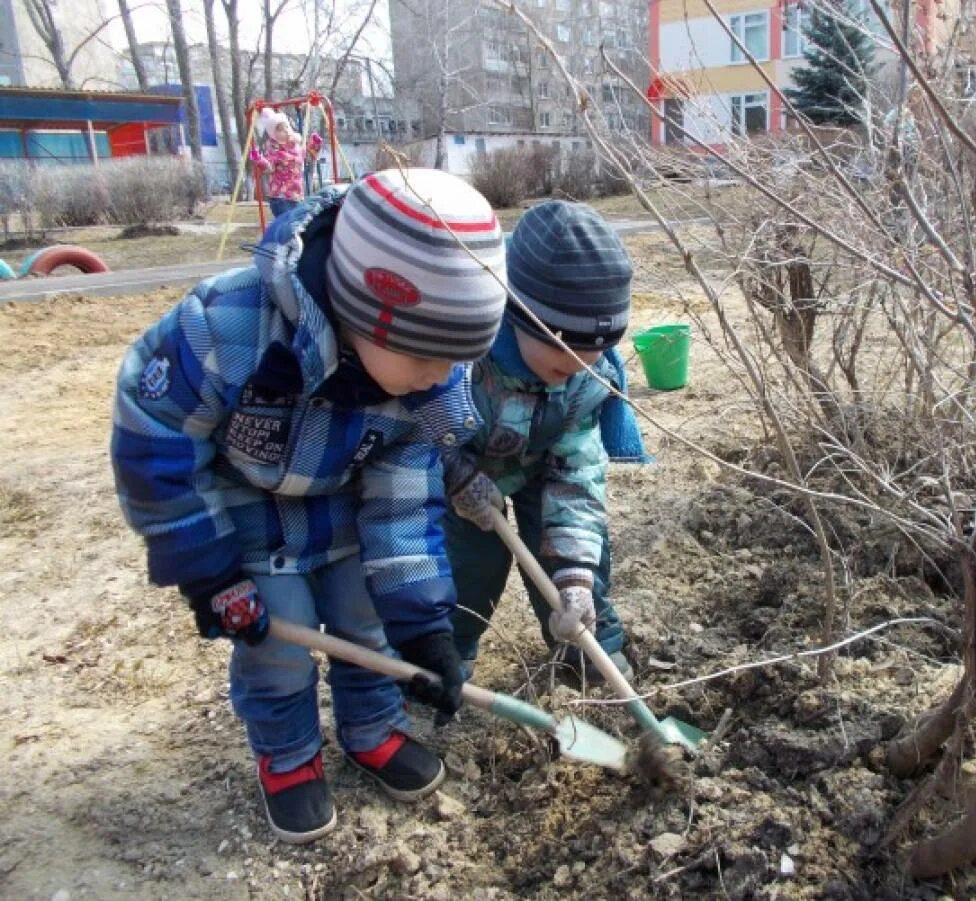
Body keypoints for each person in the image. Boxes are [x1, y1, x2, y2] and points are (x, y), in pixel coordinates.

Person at [110, 168, 507, 845]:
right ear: (364, 311)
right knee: (279, 643)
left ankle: (372, 728)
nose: (441, 378)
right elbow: (155, 434)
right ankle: (288, 756)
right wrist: (207, 568)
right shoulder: (225, 329)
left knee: (366, 619)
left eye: (456, 361)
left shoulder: (421, 388)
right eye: (428, 358)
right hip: (244, 508)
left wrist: (423, 627)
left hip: (343, 504)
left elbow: (401, 506)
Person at [441, 200, 647, 684]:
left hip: (540, 463)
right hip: (456, 469)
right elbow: (410, 426)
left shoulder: (587, 378)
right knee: (468, 569)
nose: (574, 372)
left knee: (573, 567)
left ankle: (587, 647)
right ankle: (442, 660)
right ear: (517, 316)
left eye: (590, 360)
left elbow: (576, 475)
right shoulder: (461, 354)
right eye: (562, 361)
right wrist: (451, 472)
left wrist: (575, 574)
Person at [250, 107, 322, 218]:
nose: (286, 131)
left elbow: (309, 157)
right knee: (289, 226)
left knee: (297, 226)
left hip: (296, 196)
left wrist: (315, 144)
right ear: (273, 135)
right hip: (280, 197)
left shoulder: (297, 148)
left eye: (287, 127)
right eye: (280, 130)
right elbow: (269, 168)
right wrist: (258, 160)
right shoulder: (275, 150)